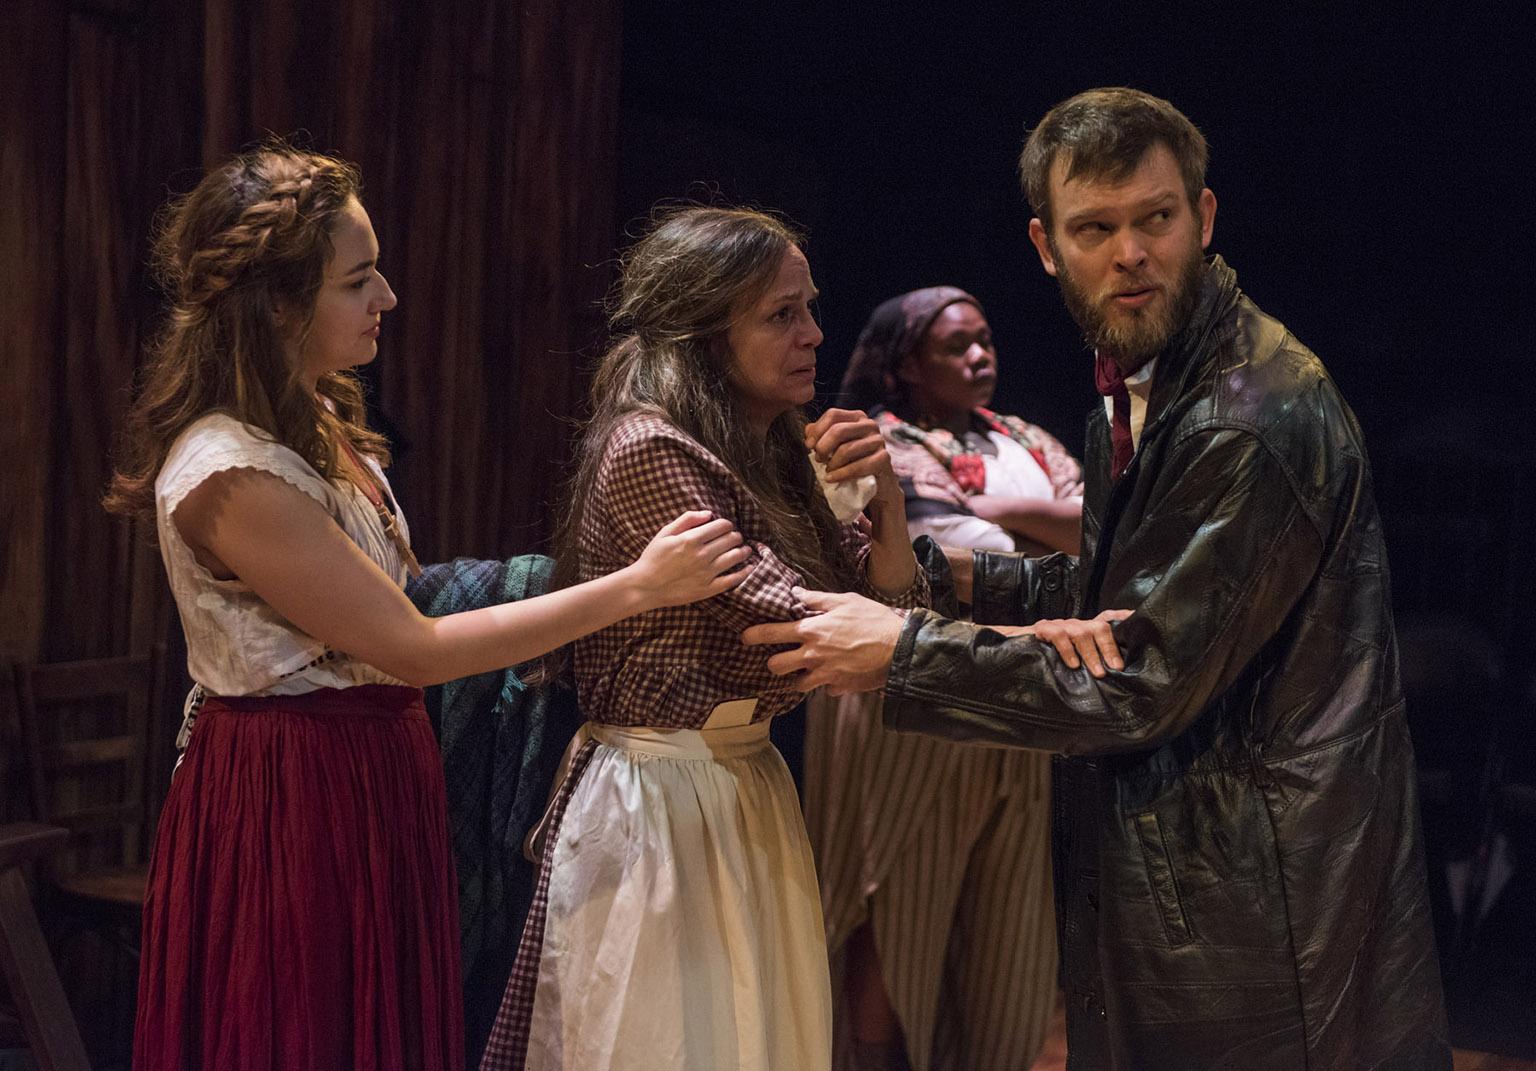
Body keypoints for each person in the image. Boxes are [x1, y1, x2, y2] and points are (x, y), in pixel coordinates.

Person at [744, 88, 1451, 1069]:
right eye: (1096, 228)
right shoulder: (1152, 377)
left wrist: (898, 655)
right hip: (1193, 884)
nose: (1131, 254)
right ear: (1046, 244)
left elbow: (1139, 678)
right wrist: (939, 577)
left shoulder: (1250, 420)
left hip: (1258, 918)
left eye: (1156, 219)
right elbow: (1121, 584)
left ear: (1201, 220)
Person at [105, 143, 750, 1071]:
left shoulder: (316, 420)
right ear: (278, 304)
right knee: (300, 1032)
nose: (388, 297)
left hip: (366, 768)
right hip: (295, 786)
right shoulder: (228, 470)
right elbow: (415, 645)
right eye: (358, 279)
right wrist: (640, 585)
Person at [477, 206, 928, 1071]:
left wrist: (889, 505)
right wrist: (940, 647)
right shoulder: (649, 448)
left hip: (743, 780)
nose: (814, 334)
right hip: (660, 797)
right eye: (781, 314)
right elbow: (804, 622)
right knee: (661, 1042)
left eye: (810, 307)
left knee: (753, 1039)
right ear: (703, 330)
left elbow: (873, 597)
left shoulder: (771, 444)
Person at [803, 286, 1081, 1071]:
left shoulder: (1022, 434)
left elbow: (1099, 532)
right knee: (892, 899)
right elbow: (946, 557)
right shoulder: (874, 439)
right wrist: (1026, 521)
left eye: (986, 339)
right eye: (956, 345)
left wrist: (999, 503)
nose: (979, 355)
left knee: (1006, 921)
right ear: (906, 365)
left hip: (1020, 693)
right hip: (909, 697)